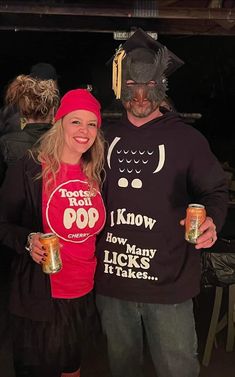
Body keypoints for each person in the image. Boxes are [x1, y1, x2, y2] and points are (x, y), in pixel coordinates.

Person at [95, 28, 228, 377]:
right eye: (133, 87)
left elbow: (214, 191)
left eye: (150, 86)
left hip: (169, 285)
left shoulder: (187, 139)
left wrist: (212, 219)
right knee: (123, 368)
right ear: (121, 86)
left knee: (177, 370)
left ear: (162, 86)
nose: (140, 96)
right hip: (113, 284)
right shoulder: (100, 137)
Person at [0, 88, 106, 377]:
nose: (84, 131)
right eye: (75, 121)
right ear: (59, 123)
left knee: (71, 368)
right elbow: (3, 223)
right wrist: (27, 240)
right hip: (40, 299)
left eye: (91, 123)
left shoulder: (96, 172)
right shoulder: (30, 167)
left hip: (81, 295)